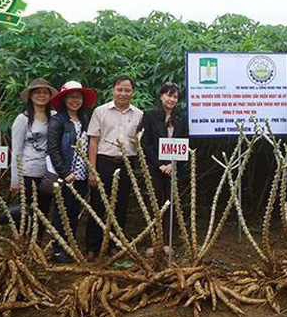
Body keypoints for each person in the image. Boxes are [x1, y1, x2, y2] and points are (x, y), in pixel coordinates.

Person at [85, 75, 143, 260]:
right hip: (104, 162)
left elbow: (139, 142)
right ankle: (92, 246)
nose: (123, 93)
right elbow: (93, 142)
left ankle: (114, 245)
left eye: (127, 90)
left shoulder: (139, 114)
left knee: (121, 205)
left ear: (132, 92)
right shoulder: (100, 112)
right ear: (113, 90)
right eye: (120, 89)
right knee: (98, 204)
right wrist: (92, 169)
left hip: (126, 164)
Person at [47, 81, 97, 263]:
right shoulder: (58, 121)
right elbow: (53, 149)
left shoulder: (85, 119)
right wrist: (64, 172)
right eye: (71, 96)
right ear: (64, 99)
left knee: (74, 212)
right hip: (66, 176)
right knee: (62, 211)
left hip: (82, 175)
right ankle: (59, 248)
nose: (75, 100)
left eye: (78, 97)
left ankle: (70, 245)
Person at [139, 82, 188, 254]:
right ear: (161, 96)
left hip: (174, 167)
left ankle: (167, 242)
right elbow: (146, 143)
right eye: (168, 95)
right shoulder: (149, 116)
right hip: (155, 168)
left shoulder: (181, 118)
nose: (171, 99)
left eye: (175, 96)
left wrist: (173, 165)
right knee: (155, 203)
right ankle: (153, 242)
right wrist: (160, 165)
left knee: (171, 203)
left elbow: (184, 143)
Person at [10, 78, 57, 236]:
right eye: (38, 92)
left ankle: (37, 246)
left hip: (49, 174)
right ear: (31, 96)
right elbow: (16, 151)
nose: (42, 96)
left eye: (45, 93)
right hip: (28, 172)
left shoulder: (55, 117)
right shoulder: (22, 119)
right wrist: (15, 180)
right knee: (26, 212)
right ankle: (23, 246)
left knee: (43, 212)